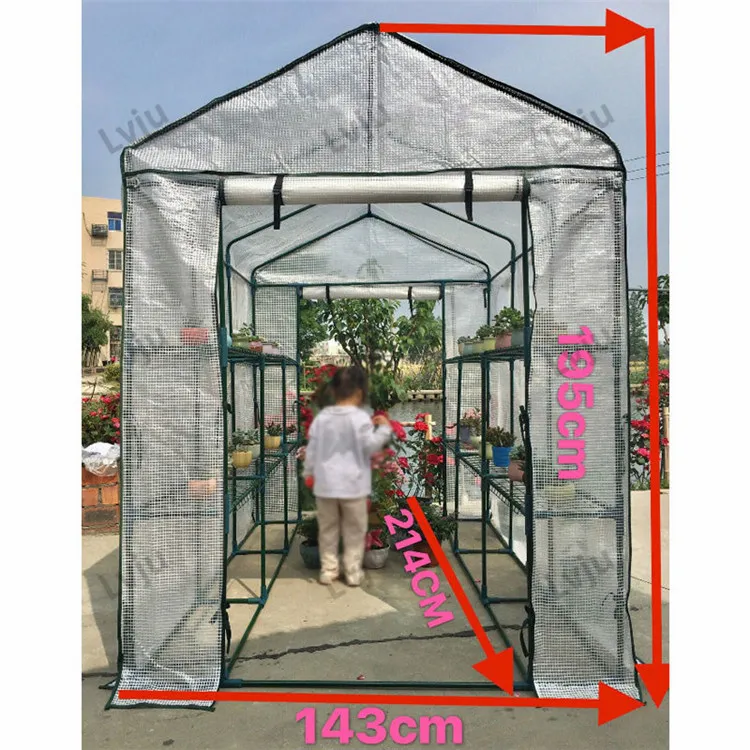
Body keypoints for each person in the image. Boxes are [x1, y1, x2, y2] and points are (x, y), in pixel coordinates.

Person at [302, 366, 392, 586]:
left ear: (333, 391)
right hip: (353, 486)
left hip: (326, 485)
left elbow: (312, 450)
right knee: (354, 530)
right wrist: (384, 429)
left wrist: (308, 472)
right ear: (360, 393)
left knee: (328, 529)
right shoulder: (359, 418)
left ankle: (329, 570)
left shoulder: (322, 418)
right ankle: (352, 572)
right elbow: (370, 447)